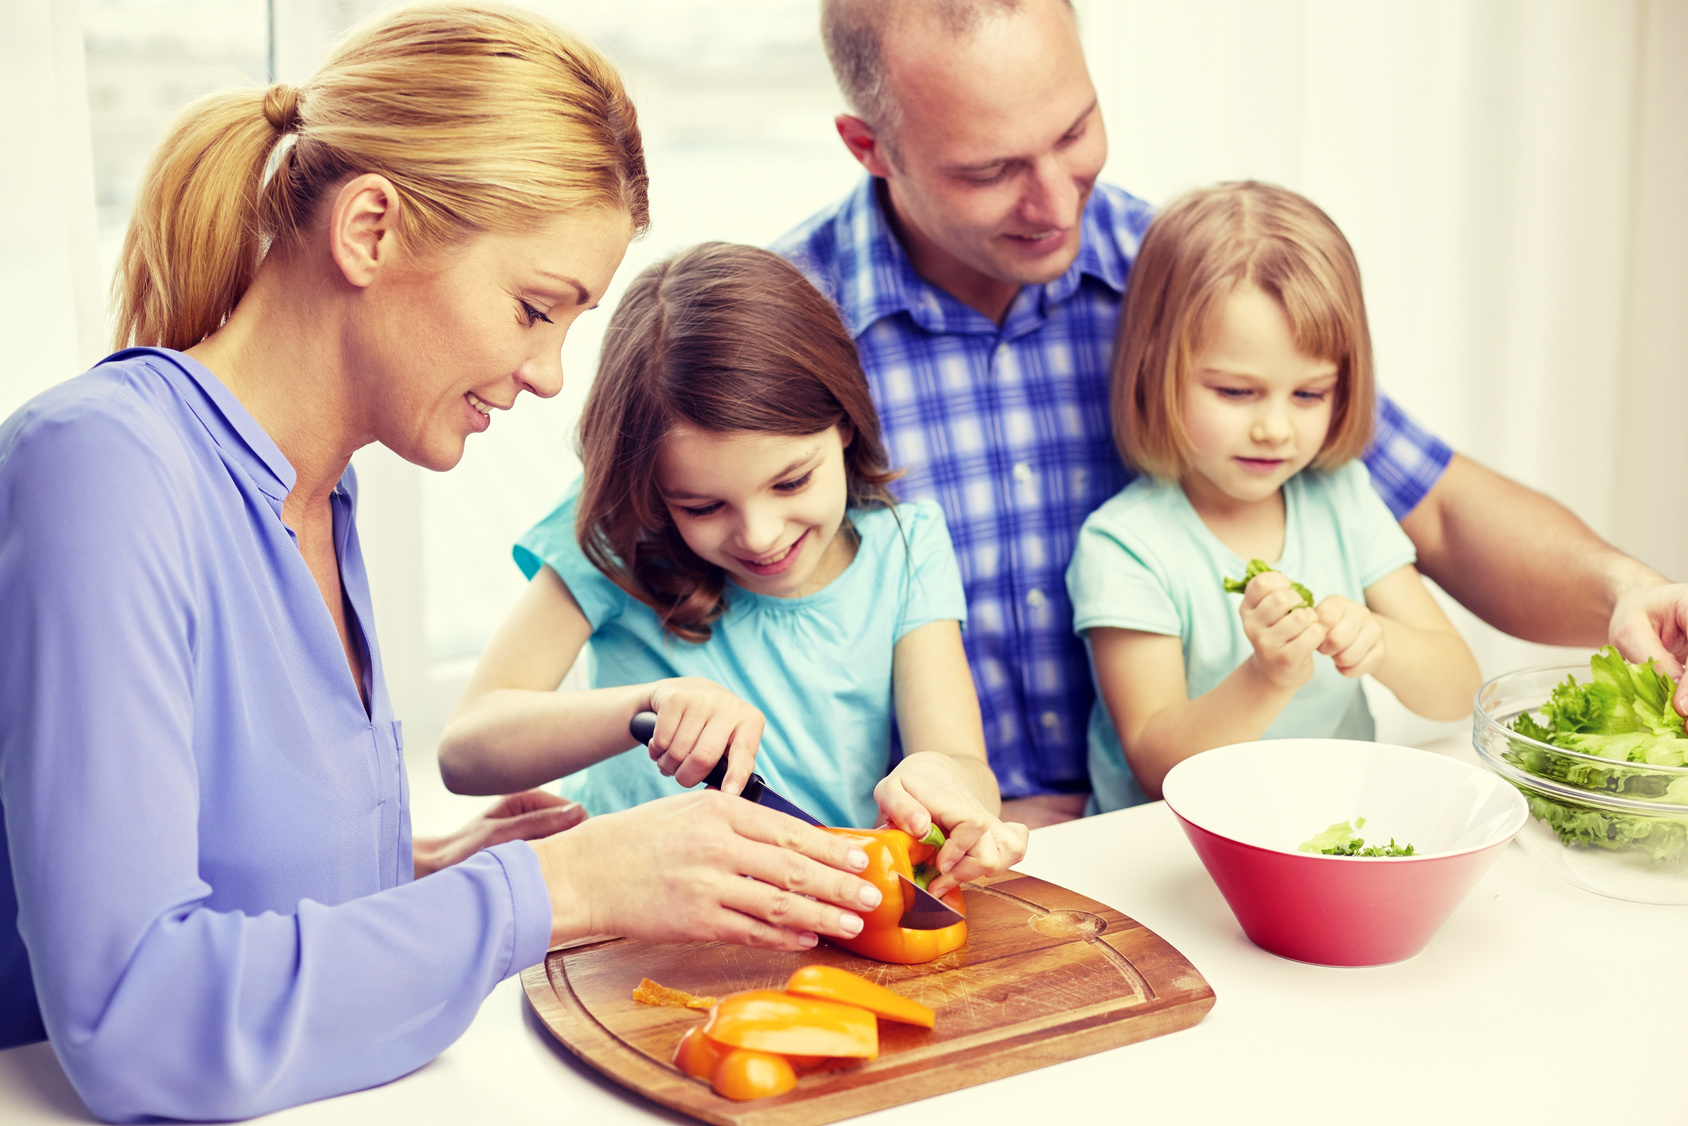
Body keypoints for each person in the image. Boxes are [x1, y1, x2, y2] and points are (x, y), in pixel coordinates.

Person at [0, 7, 885, 1121]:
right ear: (369, 229)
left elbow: (228, 872)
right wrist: (557, 888)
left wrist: (426, 869)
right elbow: (134, 1014)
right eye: (533, 307)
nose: (551, 374)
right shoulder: (102, 466)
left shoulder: (321, 495)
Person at [776, 0, 1688, 826]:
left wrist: (1622, 592)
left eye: (1076, 130)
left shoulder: (1189, 280)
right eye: (991, 169)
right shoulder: (780, 335)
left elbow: (1435, 501)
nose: (1057, 202)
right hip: (925, 852)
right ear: (871, 148)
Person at [438, 243, 1027, 890]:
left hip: (821, 911)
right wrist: (646, 707)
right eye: (703, 505)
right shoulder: (614, 535)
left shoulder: (905, 551)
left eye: (792, 482)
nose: (760, 536)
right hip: (626, 918)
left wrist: (946, 782)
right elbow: (466, 750)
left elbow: (965, 767)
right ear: (653, 493)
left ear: (845, 424)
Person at [1066, 183, 1482, 810]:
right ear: (1156, 372)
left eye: (1310, 394)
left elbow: (1460, 690)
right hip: (1166, 853)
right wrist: (1266, 678)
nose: (1276, 429)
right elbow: (1156, 763)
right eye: (1236, 392)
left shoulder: (1342, 498)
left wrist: (1383, 642)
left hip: (1332, 831)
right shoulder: (1126, 544)